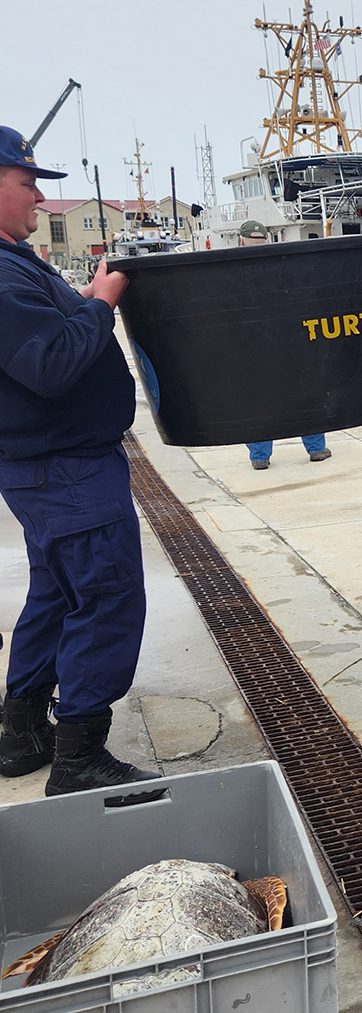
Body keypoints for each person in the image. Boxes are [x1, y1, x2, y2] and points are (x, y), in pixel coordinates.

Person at [0, 125, 160, 795]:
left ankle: (24, 729)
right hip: (66, 470)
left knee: (57, 592)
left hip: (49, 468)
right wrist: (100, 301)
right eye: (27, 183)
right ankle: (79, 756)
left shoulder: (17, 262)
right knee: (105, 596)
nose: (38, 198)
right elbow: (49, 364)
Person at [236, 222, 333, 471]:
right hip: (288, 341)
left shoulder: (233, 270)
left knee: (258, 400)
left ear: (240, 240)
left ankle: (259, 456)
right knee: (304, 393)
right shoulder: (280, 265)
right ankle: (316, 448)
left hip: (252, 346)